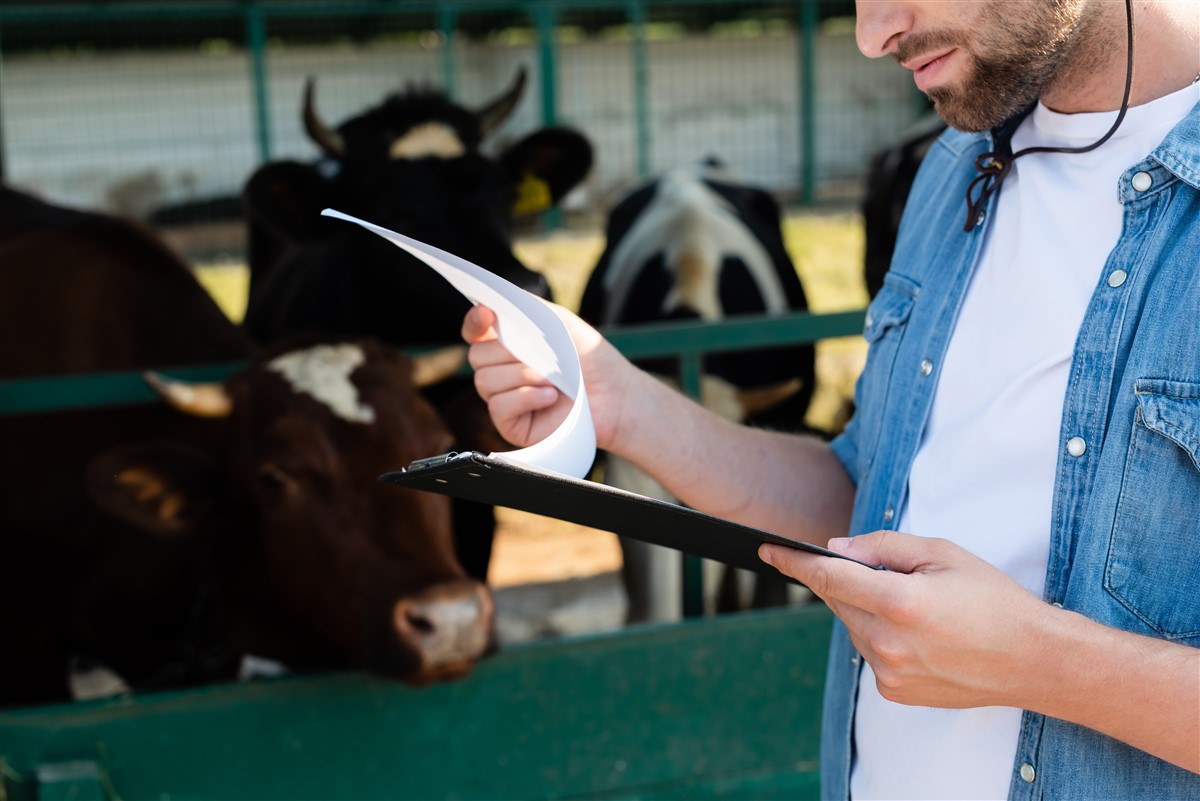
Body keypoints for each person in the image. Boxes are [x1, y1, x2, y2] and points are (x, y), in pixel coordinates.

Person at [462, 0, 1200, 798]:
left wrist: (1037, 663)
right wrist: (620, 399)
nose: (871, 33)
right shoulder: (956, 168)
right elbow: (867, 501)